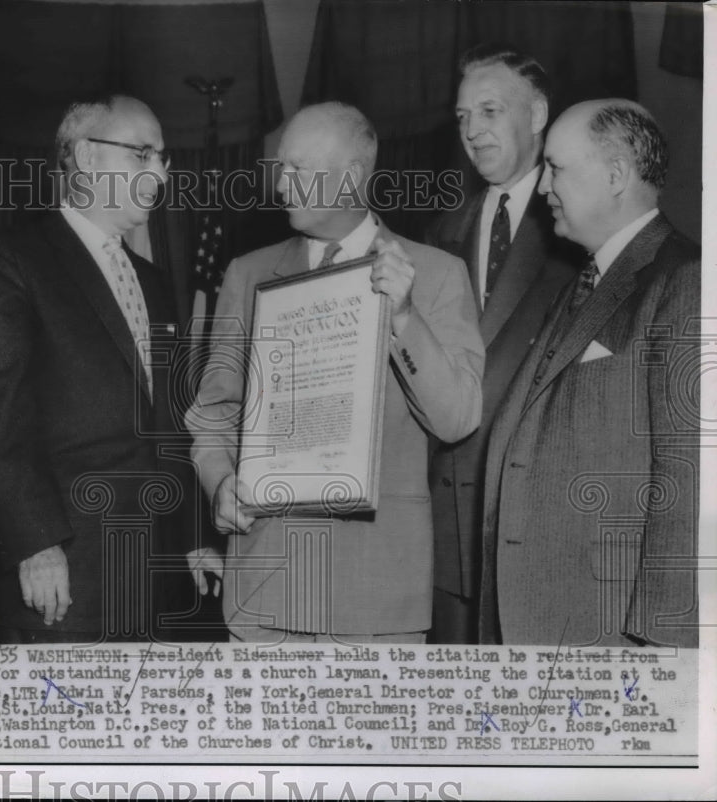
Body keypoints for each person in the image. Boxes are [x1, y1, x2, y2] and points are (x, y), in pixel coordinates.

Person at [186, 102, 484, 643]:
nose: (281, 184)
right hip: (265, 589)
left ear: (350, 176)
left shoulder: (437, 274)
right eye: (281, 167)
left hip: (377, 595)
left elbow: (458, 417)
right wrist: (220, 483)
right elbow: (214, 412)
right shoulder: (248, 273)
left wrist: (404, 318)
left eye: (298, 169)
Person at [0, 96, 206, 643]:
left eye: (163, 158)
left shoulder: (154, 281)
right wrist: (35, 543)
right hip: (65, 576)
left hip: (158, 578)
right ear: (87, 157)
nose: (161, 175)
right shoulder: (11, 260)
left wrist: (193, 535)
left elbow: (169, 423)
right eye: (142, 154)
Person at [479, 99, 699, 647]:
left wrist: (665, 645)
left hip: (610, 626)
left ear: (616, 175)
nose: (543, 187)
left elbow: (687, 475)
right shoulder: (581, 282)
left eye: (555, 168)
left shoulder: (686, 279)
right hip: (546, 614)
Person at [426, 44, 580, 643]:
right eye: (463, 117)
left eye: (489, 111)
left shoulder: (580, 230)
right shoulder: (440, 232)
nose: (472, 131)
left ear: (537, 115)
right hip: (447, 534)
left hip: (538, 527)